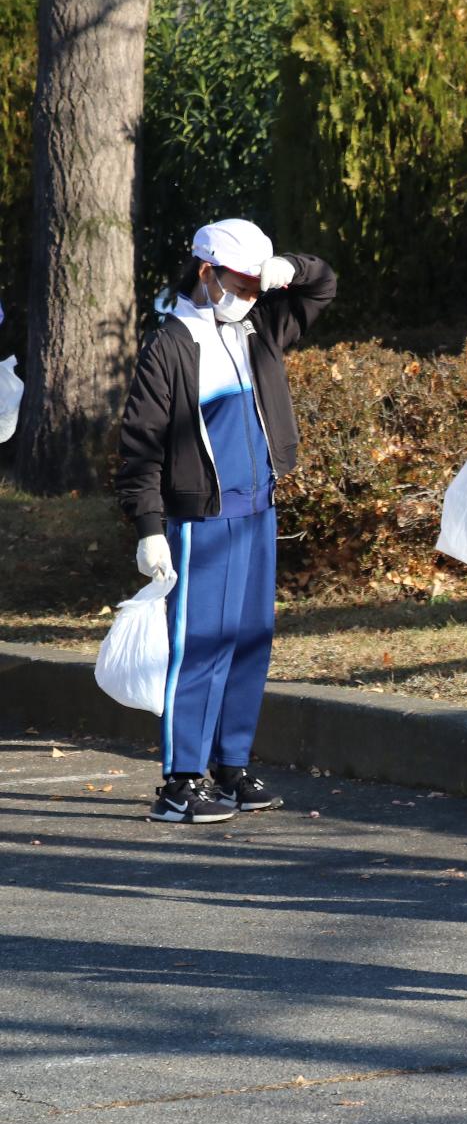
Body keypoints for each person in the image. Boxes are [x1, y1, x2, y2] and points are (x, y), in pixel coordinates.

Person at [113, 220, 337, 823]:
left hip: (256, 511)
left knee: (248, 644)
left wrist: (287, 266)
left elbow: (322, 287)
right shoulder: (170, 346)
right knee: (199, 649)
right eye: (240, 282)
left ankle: (230, 768)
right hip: (199, 521)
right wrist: (149, 527)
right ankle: (180, 783)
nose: (250, 295)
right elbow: (140, 445)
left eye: (256, 286)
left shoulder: (258, 326)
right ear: (206, 273)